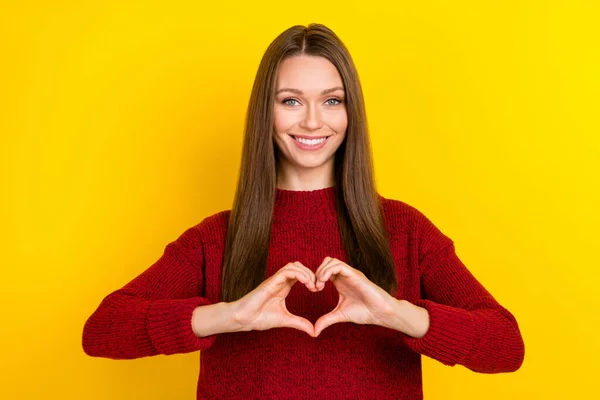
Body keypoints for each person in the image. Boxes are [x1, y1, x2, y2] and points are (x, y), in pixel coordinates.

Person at [82, 23, 525, 399]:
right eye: (291, 101)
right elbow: (103, 330)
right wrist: (228, 316)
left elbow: (506, 346)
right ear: (266, 112)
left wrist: (397, 314)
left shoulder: (405, 230)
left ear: (351, 111)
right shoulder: (215, 237)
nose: (313, 121)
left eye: (332, 100)